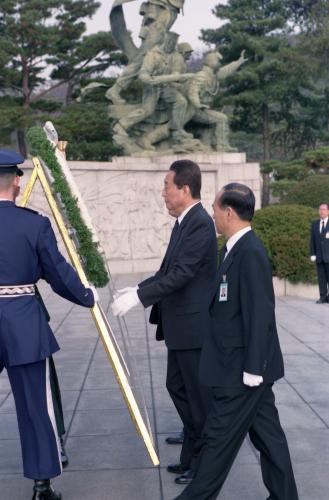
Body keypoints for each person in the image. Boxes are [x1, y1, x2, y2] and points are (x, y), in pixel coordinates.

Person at [175, 183, 299, 500]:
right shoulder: (232, 249)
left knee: (217, 441)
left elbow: (261, 314)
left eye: (215, 209)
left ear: (228, 212)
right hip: (238, 364)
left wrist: (253, 368)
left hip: (242, 370)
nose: (213, 215)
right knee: (270, 438)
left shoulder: (251, 252)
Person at [112, 159, 217, 484]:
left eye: (167, 186)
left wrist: (141, 299)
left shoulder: (199, 223)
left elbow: (183, 274)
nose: (163, 193)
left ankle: (203, 466)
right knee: (178, 387)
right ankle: (191, 454)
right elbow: (168, 270)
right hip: (181, 328)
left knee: (197, 400)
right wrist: (140, 288)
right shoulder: (184, 221)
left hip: (193, 328)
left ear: (184, 189)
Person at [0, 150, 97, 500]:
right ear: (16, 181)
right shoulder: (33, 223)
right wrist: (87, 296)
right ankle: (42, 485)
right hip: (23, 322)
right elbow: (58, 274)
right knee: (35, 406)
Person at [310, 202, 329, 304]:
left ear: (328, 211)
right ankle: (322, 297)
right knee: (321, 278)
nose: (321, 211)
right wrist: (312, 253)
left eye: (324, 209)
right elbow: (312, 240)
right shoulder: (315, 224)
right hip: (319, 256)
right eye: (320, 209)